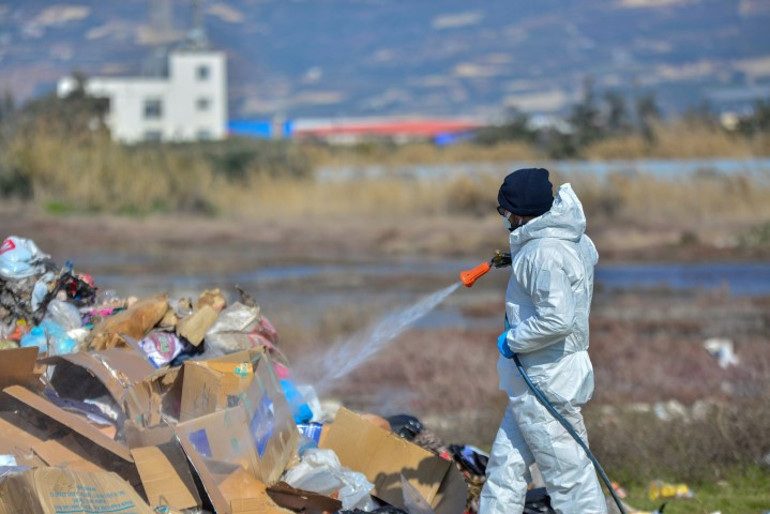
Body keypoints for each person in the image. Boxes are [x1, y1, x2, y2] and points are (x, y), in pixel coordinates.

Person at [478, 167, 607, 514]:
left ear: (520, 212)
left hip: (546, 380)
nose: (503, 217)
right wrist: (519, 257)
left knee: (570, 480)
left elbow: (557, 319)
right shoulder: (568, 238)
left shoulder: (543, 253)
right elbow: (574, 267)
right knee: (505, 467)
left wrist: (514, 340)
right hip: (534, 380)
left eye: (504, 210)